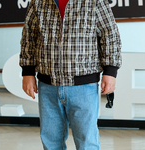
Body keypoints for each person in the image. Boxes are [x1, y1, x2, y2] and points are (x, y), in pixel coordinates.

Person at [19, 0, 122, 149]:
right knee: (51, 141)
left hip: (84, 86)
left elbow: (110, 35)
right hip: (48, 86)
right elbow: (29, 37)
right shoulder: (38, 2)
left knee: (87, 141)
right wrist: (27, 72)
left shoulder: (94, 2)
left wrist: (110, 71)